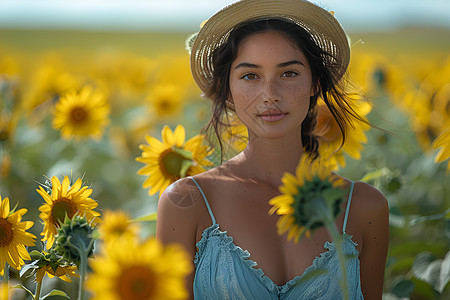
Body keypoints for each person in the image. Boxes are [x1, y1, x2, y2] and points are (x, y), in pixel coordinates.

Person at [156, 0, 389, 299]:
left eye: (289, 73)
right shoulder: (186, 203)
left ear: (315, 83)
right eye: (250, 75)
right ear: (228, 88)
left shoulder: (364, 208)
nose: (270, 95)